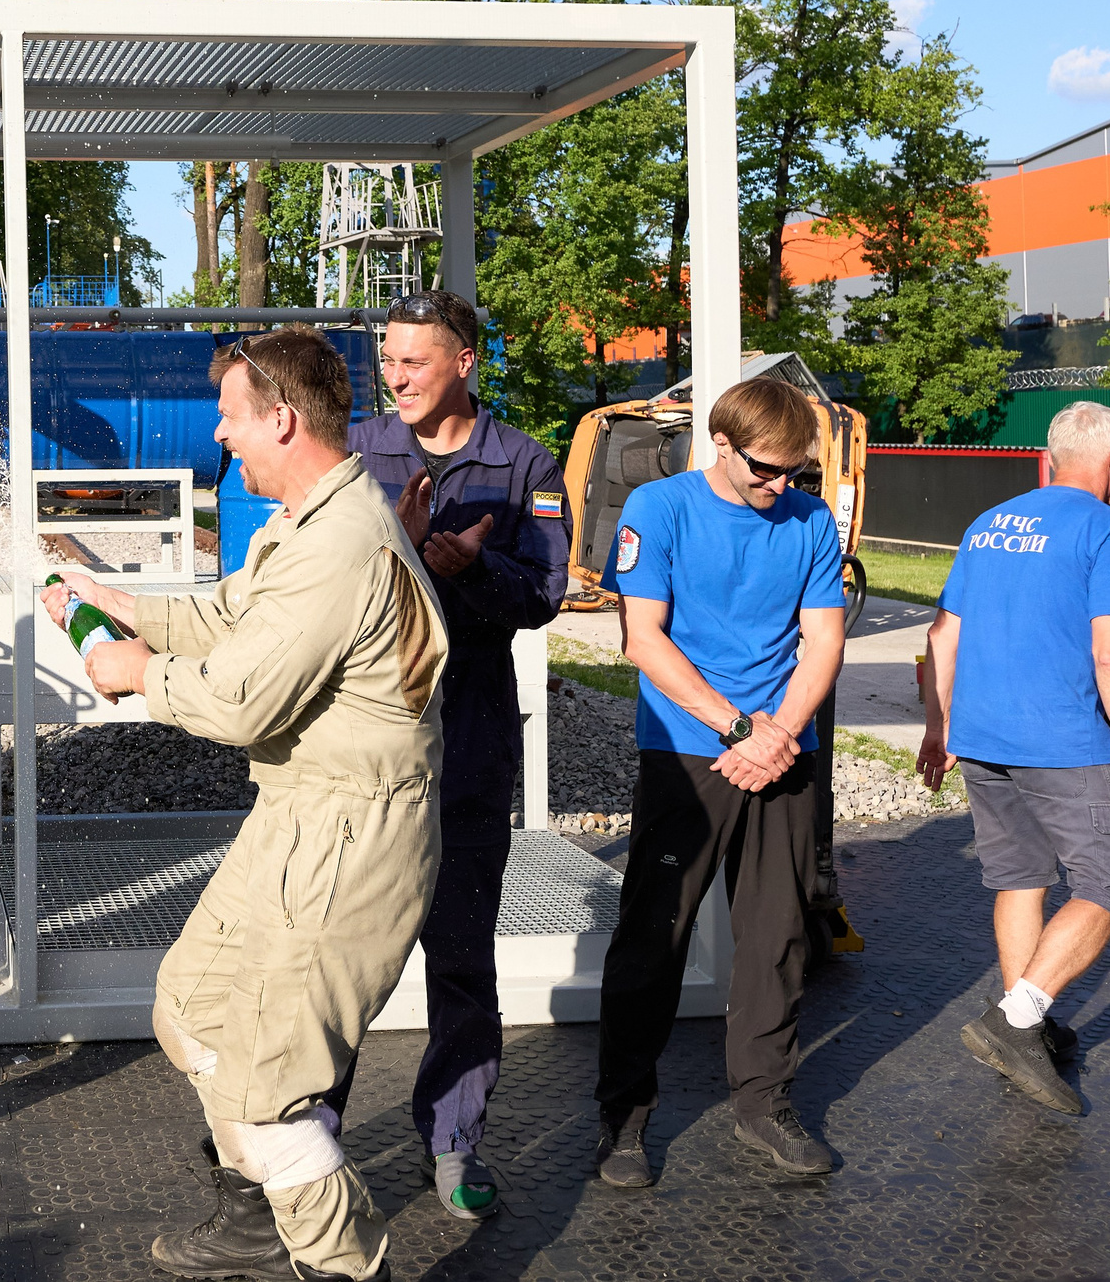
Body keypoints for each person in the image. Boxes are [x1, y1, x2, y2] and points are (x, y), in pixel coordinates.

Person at [47, 329, 449, 1282]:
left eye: (230, 418)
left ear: (280, 416)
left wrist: (135, 673)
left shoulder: (339, 543)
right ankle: (260, 1212)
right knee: (192, 1009)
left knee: (270, 1091)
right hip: (301, 813)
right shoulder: (309, 519)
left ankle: (346, 1265)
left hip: (351, 833)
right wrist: (121, 602)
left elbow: (237, 700)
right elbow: (232, 618)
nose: (221, 436)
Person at [328, 290, 570, 1222]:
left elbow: (545, 590)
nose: (395, 379)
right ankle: (309, 1140)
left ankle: (455, 1143)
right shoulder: (356, 450)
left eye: (414, 363)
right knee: (341, 951)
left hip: (467, 736)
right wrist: (404, 552)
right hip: (365, 738)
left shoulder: (522, 463)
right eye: (387, 362)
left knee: (461, 955)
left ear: (465, 362)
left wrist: (472, 570)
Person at [591, 374, 848, 1190]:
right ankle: (625, 1122)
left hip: (782, 753)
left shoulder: (810, 521)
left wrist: (777, 735)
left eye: (796, 473)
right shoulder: (659, 510)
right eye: (766, 470)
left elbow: (824, 643)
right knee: (653, 938)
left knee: (778, 938)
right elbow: (644, 640)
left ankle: (764, 1106)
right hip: (687, 751)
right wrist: (739, 728)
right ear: (722, 445)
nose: (782, 487)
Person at [917, 401, 1110, 1116]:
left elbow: (943, 635)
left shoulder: (989, 524)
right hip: (1063, 742)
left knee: (1020, 878)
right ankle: (1015, 1019)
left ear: (1051, 456)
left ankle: (1025, 1028)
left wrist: (938, 727)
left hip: (981, 737)